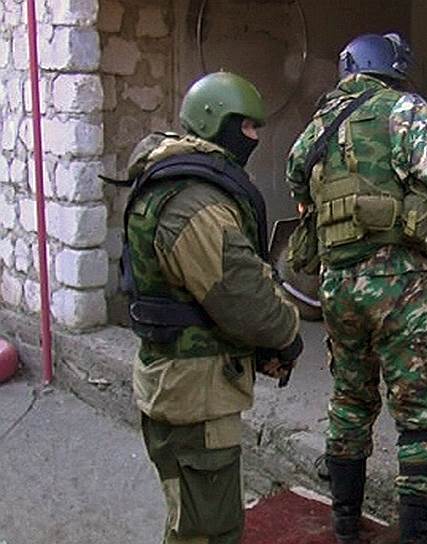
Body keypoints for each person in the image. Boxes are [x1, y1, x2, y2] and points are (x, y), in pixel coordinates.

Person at [286, 33, 427, 544]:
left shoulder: (319, 125)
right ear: (392, 68)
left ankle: (345, 524)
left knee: (350, 400)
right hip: (398, 287)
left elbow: (297, 181)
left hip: (338, 286)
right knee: (420, 410)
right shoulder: (403, 110)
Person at [120, 72, 303, 543]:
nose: (255, 137)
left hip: (185, 383)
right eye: (247, 126)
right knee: (207, 530)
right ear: (214, 123)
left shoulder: (178, 183)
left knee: (195, 519)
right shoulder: (194, 203)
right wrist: (287, 334)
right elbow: (244, 298)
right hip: (193, 392)